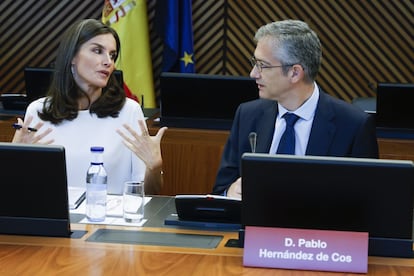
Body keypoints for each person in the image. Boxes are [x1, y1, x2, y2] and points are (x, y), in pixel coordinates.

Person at [212, 19, 378, 199]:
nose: (254, 73)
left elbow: (367, 202)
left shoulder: (353, 125)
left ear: (295, 73)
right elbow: (221, 188)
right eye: (255, 63)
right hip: (255, 225)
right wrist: (230, 191)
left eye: (263, 65)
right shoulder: (248, 115)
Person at [12, 19, 167, 195]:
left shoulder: (128, 111)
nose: (108, 62)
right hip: (57, 220)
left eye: (112, 55)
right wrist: (14, 159)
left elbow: (147, 194)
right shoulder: (38, 112)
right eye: (97, 51)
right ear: (72, 57)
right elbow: (20, 190)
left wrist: (154, 167)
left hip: (112, 221)